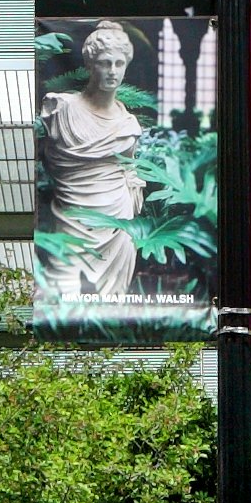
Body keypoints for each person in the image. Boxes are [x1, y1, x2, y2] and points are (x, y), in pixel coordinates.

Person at [36, 21, 149, 302]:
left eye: (119, 63)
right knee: (64, 298)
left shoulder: (128, 124)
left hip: (116, 220)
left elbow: (129, 170)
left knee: (110, 307)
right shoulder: (60, 108)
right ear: (89, 64)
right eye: (104, 63)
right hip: (71, 217)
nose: (112, 71)